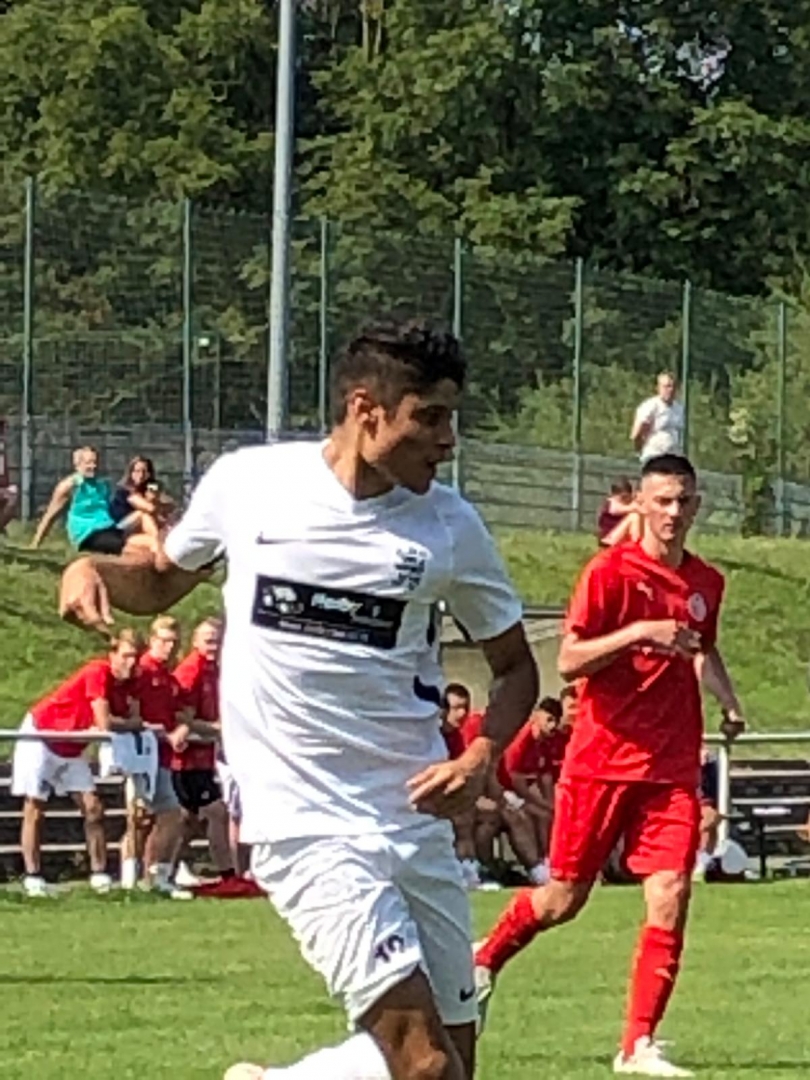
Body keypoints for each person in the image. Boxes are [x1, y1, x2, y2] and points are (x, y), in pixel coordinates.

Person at [58, 320, 538, 1080]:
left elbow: (515, 668)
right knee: (422, 1066)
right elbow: (159, 581)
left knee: (454, 1065)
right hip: (303, 820)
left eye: (453, 418)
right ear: (365, 409)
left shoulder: (450, 528)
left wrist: (480, 756)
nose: (448, 440)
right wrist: (90, 567)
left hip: (412, 814)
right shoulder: (251, 485)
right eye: (430, 417)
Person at [474, 453, 746, 1078]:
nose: (674, 512)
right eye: (663, 500)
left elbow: (702, 649)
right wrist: (640, 632)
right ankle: (484, 960)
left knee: (671, 891)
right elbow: (569, 660)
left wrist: (729, 702)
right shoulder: (609, 573)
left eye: (684, 501)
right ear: (641, 505)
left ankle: (637, 1044)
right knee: (563, 899)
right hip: (601, 760)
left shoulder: (706, 582)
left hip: (670, 763)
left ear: (697, 506)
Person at [11, 631, 141, 897]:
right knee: (35, 806)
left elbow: (131, 716)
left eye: (135, 657)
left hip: (72, 745)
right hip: (43, 736)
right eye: (126, 656)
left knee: (93, 808)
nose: (130, 663)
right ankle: (33, 876)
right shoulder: (98, 672)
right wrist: (128, 724)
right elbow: (105, 723)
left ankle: (99, 873)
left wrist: (127, 722)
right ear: (112, 655)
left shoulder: (129, 684)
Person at [126, 615, 189, 894]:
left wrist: (181, 728)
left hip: (160, 756)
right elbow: (130, 710)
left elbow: (179, 713)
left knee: (166, 815)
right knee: (142, 818)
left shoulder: (168, 678)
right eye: (164, 641)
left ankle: (152, 877)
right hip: (140, 754)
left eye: (174, 642)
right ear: (152, 640)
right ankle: (140, 877)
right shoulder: (140, 672)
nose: (169, 647)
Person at [170, 617, 235, 885]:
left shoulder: (213, 669)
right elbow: (179, 715)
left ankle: (169, 869)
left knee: (189, 820)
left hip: (203, 757)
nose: (214, 646)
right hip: (185, 760)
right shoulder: (191, 670)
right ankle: (228, 875)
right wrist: (214, 728)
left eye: (217, 641)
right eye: (208, 641)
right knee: (216, 812)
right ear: (195, 642)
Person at [30, 446, 154, 555]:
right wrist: (35, 544)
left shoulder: (101, 485)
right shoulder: (70, 486)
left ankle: (158, 547)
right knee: (134, 547)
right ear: (78, 465)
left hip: (108, 528)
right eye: (88, 463)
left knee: (146, 529)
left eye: (95, 462)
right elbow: (50, 516)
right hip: (88, 534)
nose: (93, 466)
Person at [109, 456, 174, 544]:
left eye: (144, 471)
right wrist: (152, 500)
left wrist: (158, 499)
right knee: (142, 514)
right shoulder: (125, 490)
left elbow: (170, 505)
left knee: (162, 521)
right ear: (131, 473)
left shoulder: (149, 488)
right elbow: (149, 508)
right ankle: (158, 542)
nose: (141, 475)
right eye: (137, 471)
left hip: (138, 528)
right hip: (120, 528)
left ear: (149, 474)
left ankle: (160, 542)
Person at [631, 373, 685, 463]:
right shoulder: (650, 406)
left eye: (673, 387)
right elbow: (637, 434)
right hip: (654, 455)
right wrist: (639, 451)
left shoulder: (679, 409)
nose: (670, 390)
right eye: (666, 386)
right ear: (658, 388)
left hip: (672, 457)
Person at [597, 478, 642, 548]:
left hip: (620, 536)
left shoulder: (627, 505)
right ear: (613, 495)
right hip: (609, 535)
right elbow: (614, 510)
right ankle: (634, 544)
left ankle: (635, 543)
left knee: (635, 517)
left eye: (628, 497)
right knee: (633, 517)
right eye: (623, 497)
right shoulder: (610, 502)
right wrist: (632, 508)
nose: (625, 500)